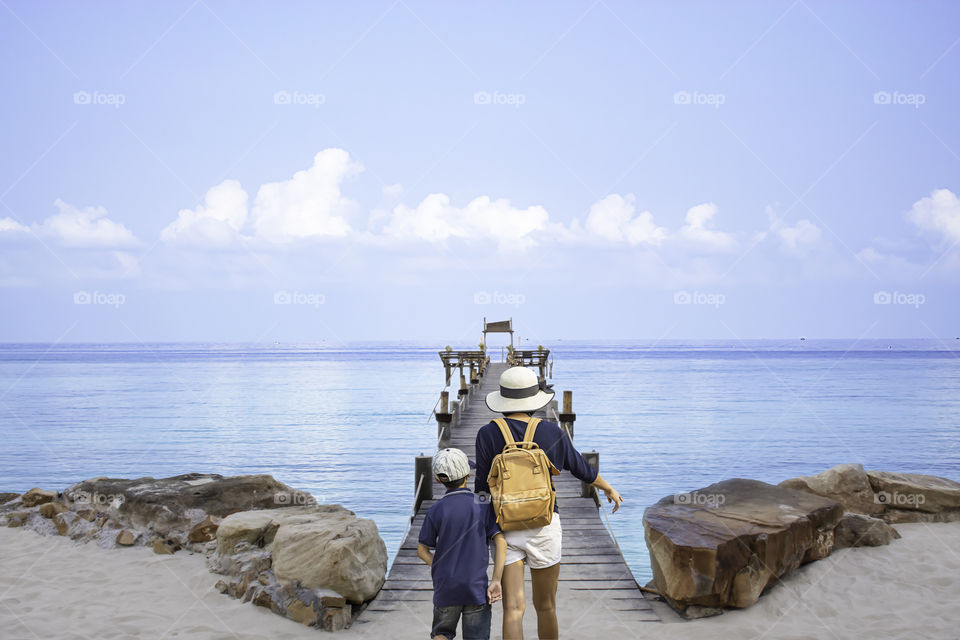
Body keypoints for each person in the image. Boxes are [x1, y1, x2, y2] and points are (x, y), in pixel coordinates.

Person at [474, 367, 623, 640]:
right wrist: (609, 488)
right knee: (546, 607)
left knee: (513, 611)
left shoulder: (487, 434)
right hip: (544, 524)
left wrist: (485, 531)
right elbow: (581, 469)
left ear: (504, 400)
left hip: (504, 529)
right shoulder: (551, 432)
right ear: (534, 399)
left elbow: (482, 490)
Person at [418, 448, 508, 640]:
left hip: (446, 586)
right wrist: (496, 580)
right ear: (468, 475)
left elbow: (422, 550)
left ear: (438, 479)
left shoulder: (435, 510)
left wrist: (440, 567)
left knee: (442, 633)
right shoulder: (483, 504)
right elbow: (501, 542)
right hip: (476, 587)